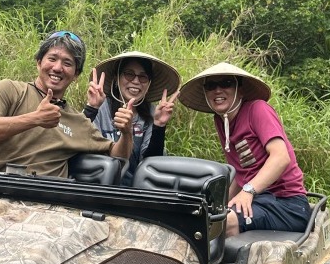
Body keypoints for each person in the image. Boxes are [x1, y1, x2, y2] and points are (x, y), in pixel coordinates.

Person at [0, 31, 135, 178]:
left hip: (45, 202)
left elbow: (117, 154)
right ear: (39, 62)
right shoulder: (11, 90)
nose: (57, 68)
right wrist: (35, 119)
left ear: (75, 75)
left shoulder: (78, 121)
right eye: (52, 58)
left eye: (67, 63)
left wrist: (126, 133)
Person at [178, 62, 311, 238]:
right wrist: (221, 204)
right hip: (259, 200)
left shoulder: (258, 109)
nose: (218, 90)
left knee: (225, 223)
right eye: (211, 86)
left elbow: (280, 157)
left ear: (240, 90)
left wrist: (248, 192)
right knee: (205, 217)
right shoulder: (221, 121)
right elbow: (241, 175)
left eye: (226, 83)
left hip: (287, 204)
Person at [83, 51, 181, 186]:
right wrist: (91, 108)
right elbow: (80, 144)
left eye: (143, 77)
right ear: (117, 78)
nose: (136, 81)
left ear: (149, 84)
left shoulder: (153, 112)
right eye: (129, 74)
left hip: (135, 191)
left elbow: (151, 164)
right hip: (97, 185)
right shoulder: (100, 106)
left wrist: (159, 126)